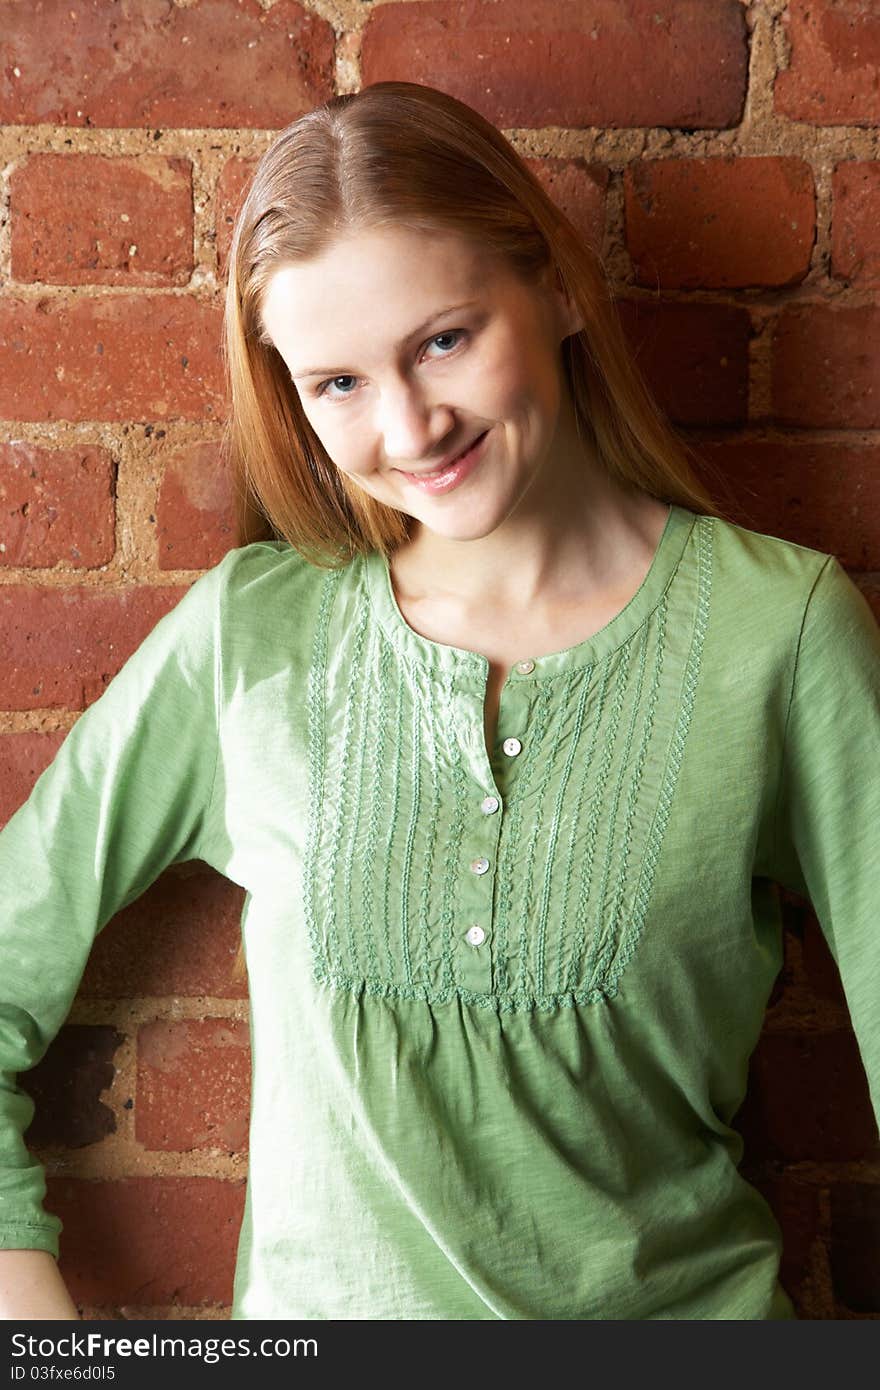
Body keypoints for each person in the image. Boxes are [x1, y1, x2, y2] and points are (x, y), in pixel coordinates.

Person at [0, 80, 877, 1322]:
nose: (409, 425)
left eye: (445, 339)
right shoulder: (251, 637)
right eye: (337, 384)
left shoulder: (779, 631)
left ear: (560, 288)